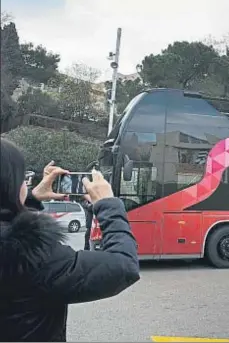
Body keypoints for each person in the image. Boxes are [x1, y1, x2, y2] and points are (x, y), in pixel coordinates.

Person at [0, 138, 140, 341]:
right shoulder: (33, 255)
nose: (25, 184)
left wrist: (31, 198)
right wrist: (108, 205)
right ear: (9, 187)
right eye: (22, 179)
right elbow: (124, 266)